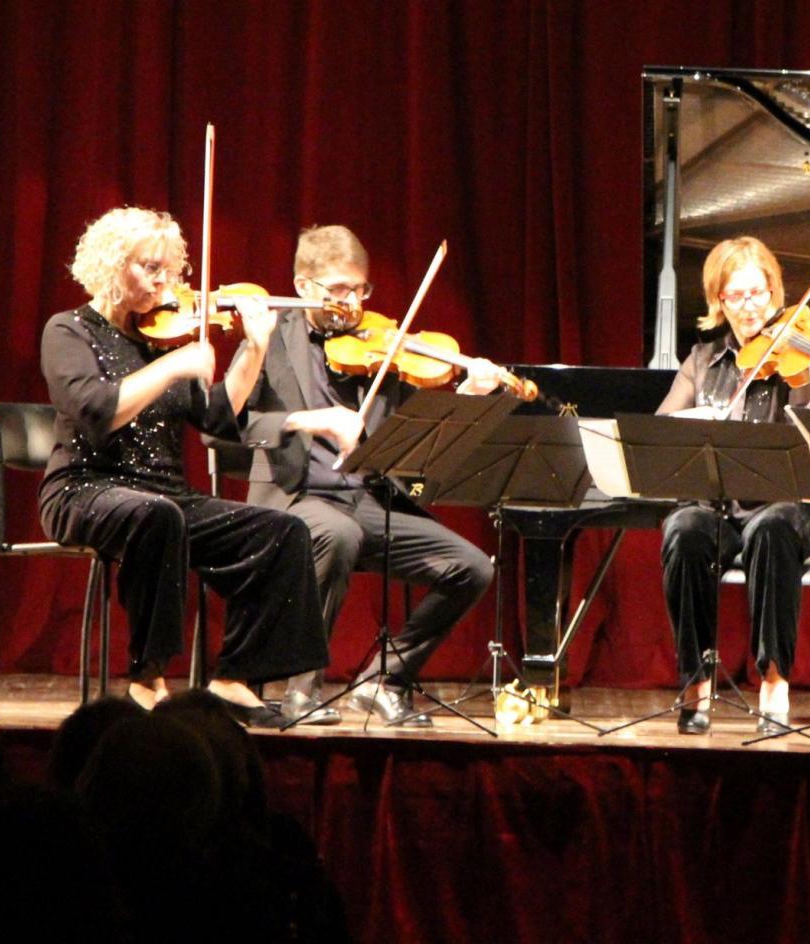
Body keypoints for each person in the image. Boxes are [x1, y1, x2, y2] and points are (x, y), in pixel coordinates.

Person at [40, 206, 326, 726]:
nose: (163, 282)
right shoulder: (69, 331)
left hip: (165, 494)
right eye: (150, 268)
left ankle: (235, 677)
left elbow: (217, 417)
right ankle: (148, 679)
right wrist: (174, 365)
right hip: (84, 488)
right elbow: (96, 411)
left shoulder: (160, 336)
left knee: (282, 531)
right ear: (111, 265)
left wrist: (253, 350)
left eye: (170, 271)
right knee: (158, 516)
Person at [239, 224, 496, 727]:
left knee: (472, 567)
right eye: (338, 290)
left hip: (366, 500)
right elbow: (229, 425)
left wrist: (467, 398)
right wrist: (310, 421)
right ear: (302, 286)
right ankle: (300, 689)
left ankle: (383, 679)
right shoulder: (266, 339)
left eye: (360, 289)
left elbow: (411, 431)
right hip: (294, 499)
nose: (352, 302)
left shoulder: (380, 342)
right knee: (337, 535)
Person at [656, 236, 810, 733]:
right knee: (683, 529)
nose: (748, 307)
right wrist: (702, 420)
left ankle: (774, 680)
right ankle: (696, 681)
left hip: (784, 509)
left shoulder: (797, 358)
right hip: (718, 509)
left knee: (771, 529)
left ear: (775, 292)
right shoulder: (703, 361)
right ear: (719, 302)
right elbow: (662, 432)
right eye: (734, 297)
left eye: (757, 294)